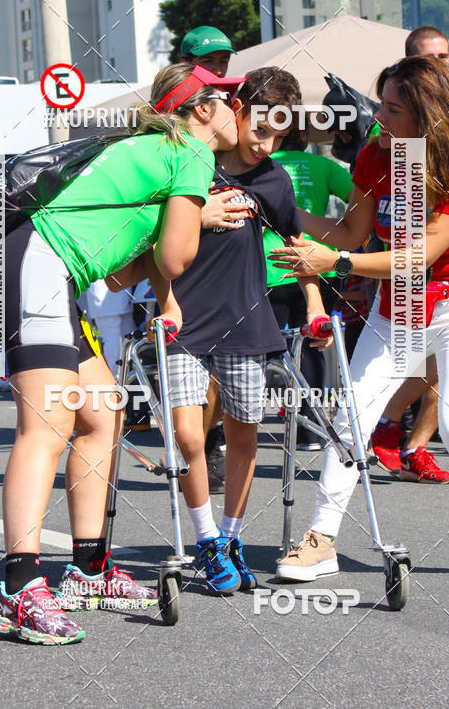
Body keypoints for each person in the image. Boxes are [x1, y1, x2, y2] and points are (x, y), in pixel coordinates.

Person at [0, 62, 245, 644]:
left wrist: (177, 241)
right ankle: (17, 589)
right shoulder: (191, 153)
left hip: (47, 267)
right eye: (228, 99)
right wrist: (197, 218)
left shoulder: (164, 150)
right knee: (46, 427)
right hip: (37, 262)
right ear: (201, 110)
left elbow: (123, 274)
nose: (237, 109)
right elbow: (173, 258)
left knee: (102, 414)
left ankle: (89, 570)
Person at [270, 56, 449, 581]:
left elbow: (418, 256)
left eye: (393, 109)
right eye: (382, 105)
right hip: (397, 307)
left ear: (428, 115)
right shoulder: (376, 155)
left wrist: (337, 263)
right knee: (351, 417)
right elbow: (351, 233)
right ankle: (321, 540)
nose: (379, 117)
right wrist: (280, 208)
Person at [168, 67, 332, 594]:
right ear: (235, 109)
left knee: (243, 432)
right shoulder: (192, 161)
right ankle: (205, 539)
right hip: (184, 320)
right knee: (188, 435)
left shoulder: (274, 180)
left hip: (245, 319)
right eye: (260, 130)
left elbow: (297, 246)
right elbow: (153, 234)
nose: (266, 145)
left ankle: (230, 538)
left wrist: (313, 305)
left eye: (278, 137)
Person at [372, 27, 449, 482]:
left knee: (444, 365)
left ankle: (414, 448)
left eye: (444, 57)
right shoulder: (392, 123)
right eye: (429, 58)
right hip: (403, 270)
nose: (439, 65)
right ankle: (384, 420)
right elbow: (374, 209)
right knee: (417, 359)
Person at [263, 125, 353, 448]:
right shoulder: (323, 165)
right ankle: (310, 428)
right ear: (304, 139)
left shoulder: (264, 164)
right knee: (313, 344)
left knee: (260, 347)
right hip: (317, 262)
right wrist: (340, 232)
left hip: (270, 264)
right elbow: (359, 200)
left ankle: (242, 420)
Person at [180, 24, 235, 488]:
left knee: (220, 360)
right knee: (193, 360)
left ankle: (211, 440)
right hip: (184, 255)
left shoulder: (231, 106)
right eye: (208, 61)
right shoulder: (181, 115)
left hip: (226, 250)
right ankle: (192, 445)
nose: (217, 67)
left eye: (223, 60)